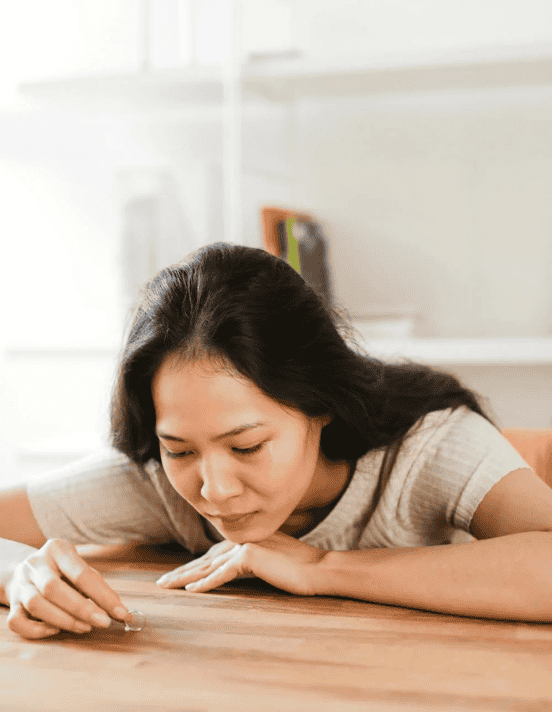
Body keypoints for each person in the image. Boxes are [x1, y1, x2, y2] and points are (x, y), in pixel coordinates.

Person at [2, 242, 552, 641]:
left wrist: (319, 568)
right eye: (180, 451)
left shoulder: (431, 446)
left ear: (320, 407)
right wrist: (18, 574)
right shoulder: (155, 481)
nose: (213, 489)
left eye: (245, 447)